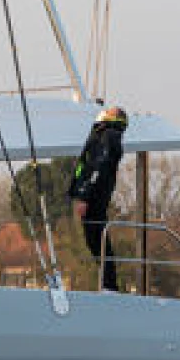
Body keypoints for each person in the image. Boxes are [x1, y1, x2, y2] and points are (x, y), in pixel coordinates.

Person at [68, 105, 129, 290]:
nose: (104, 112)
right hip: (95, 195)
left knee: (97, 240)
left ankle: (109, 286)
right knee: (95, 242)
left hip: (94, 198)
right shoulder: (104, 135)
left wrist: (85, 196)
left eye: (110, 111)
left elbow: (98, 167)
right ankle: (108, 284)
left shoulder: (108, 136)